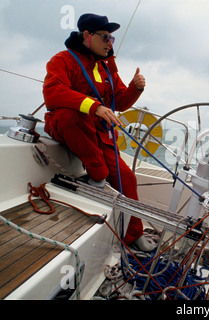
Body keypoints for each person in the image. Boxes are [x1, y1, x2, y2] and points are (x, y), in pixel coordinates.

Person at [43, 13, 153, 251]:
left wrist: (135, 88)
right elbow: (53, 93)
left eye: (111, 38)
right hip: (68, 126)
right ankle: (97, 177)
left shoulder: (107, 66)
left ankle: (133, 235)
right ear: (87, 35)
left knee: (128, 178)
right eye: (105, 37)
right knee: (71, 115)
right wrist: (94, 106)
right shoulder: (62, 60)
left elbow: (120, 102)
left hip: (98, 134)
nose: (109, 43)